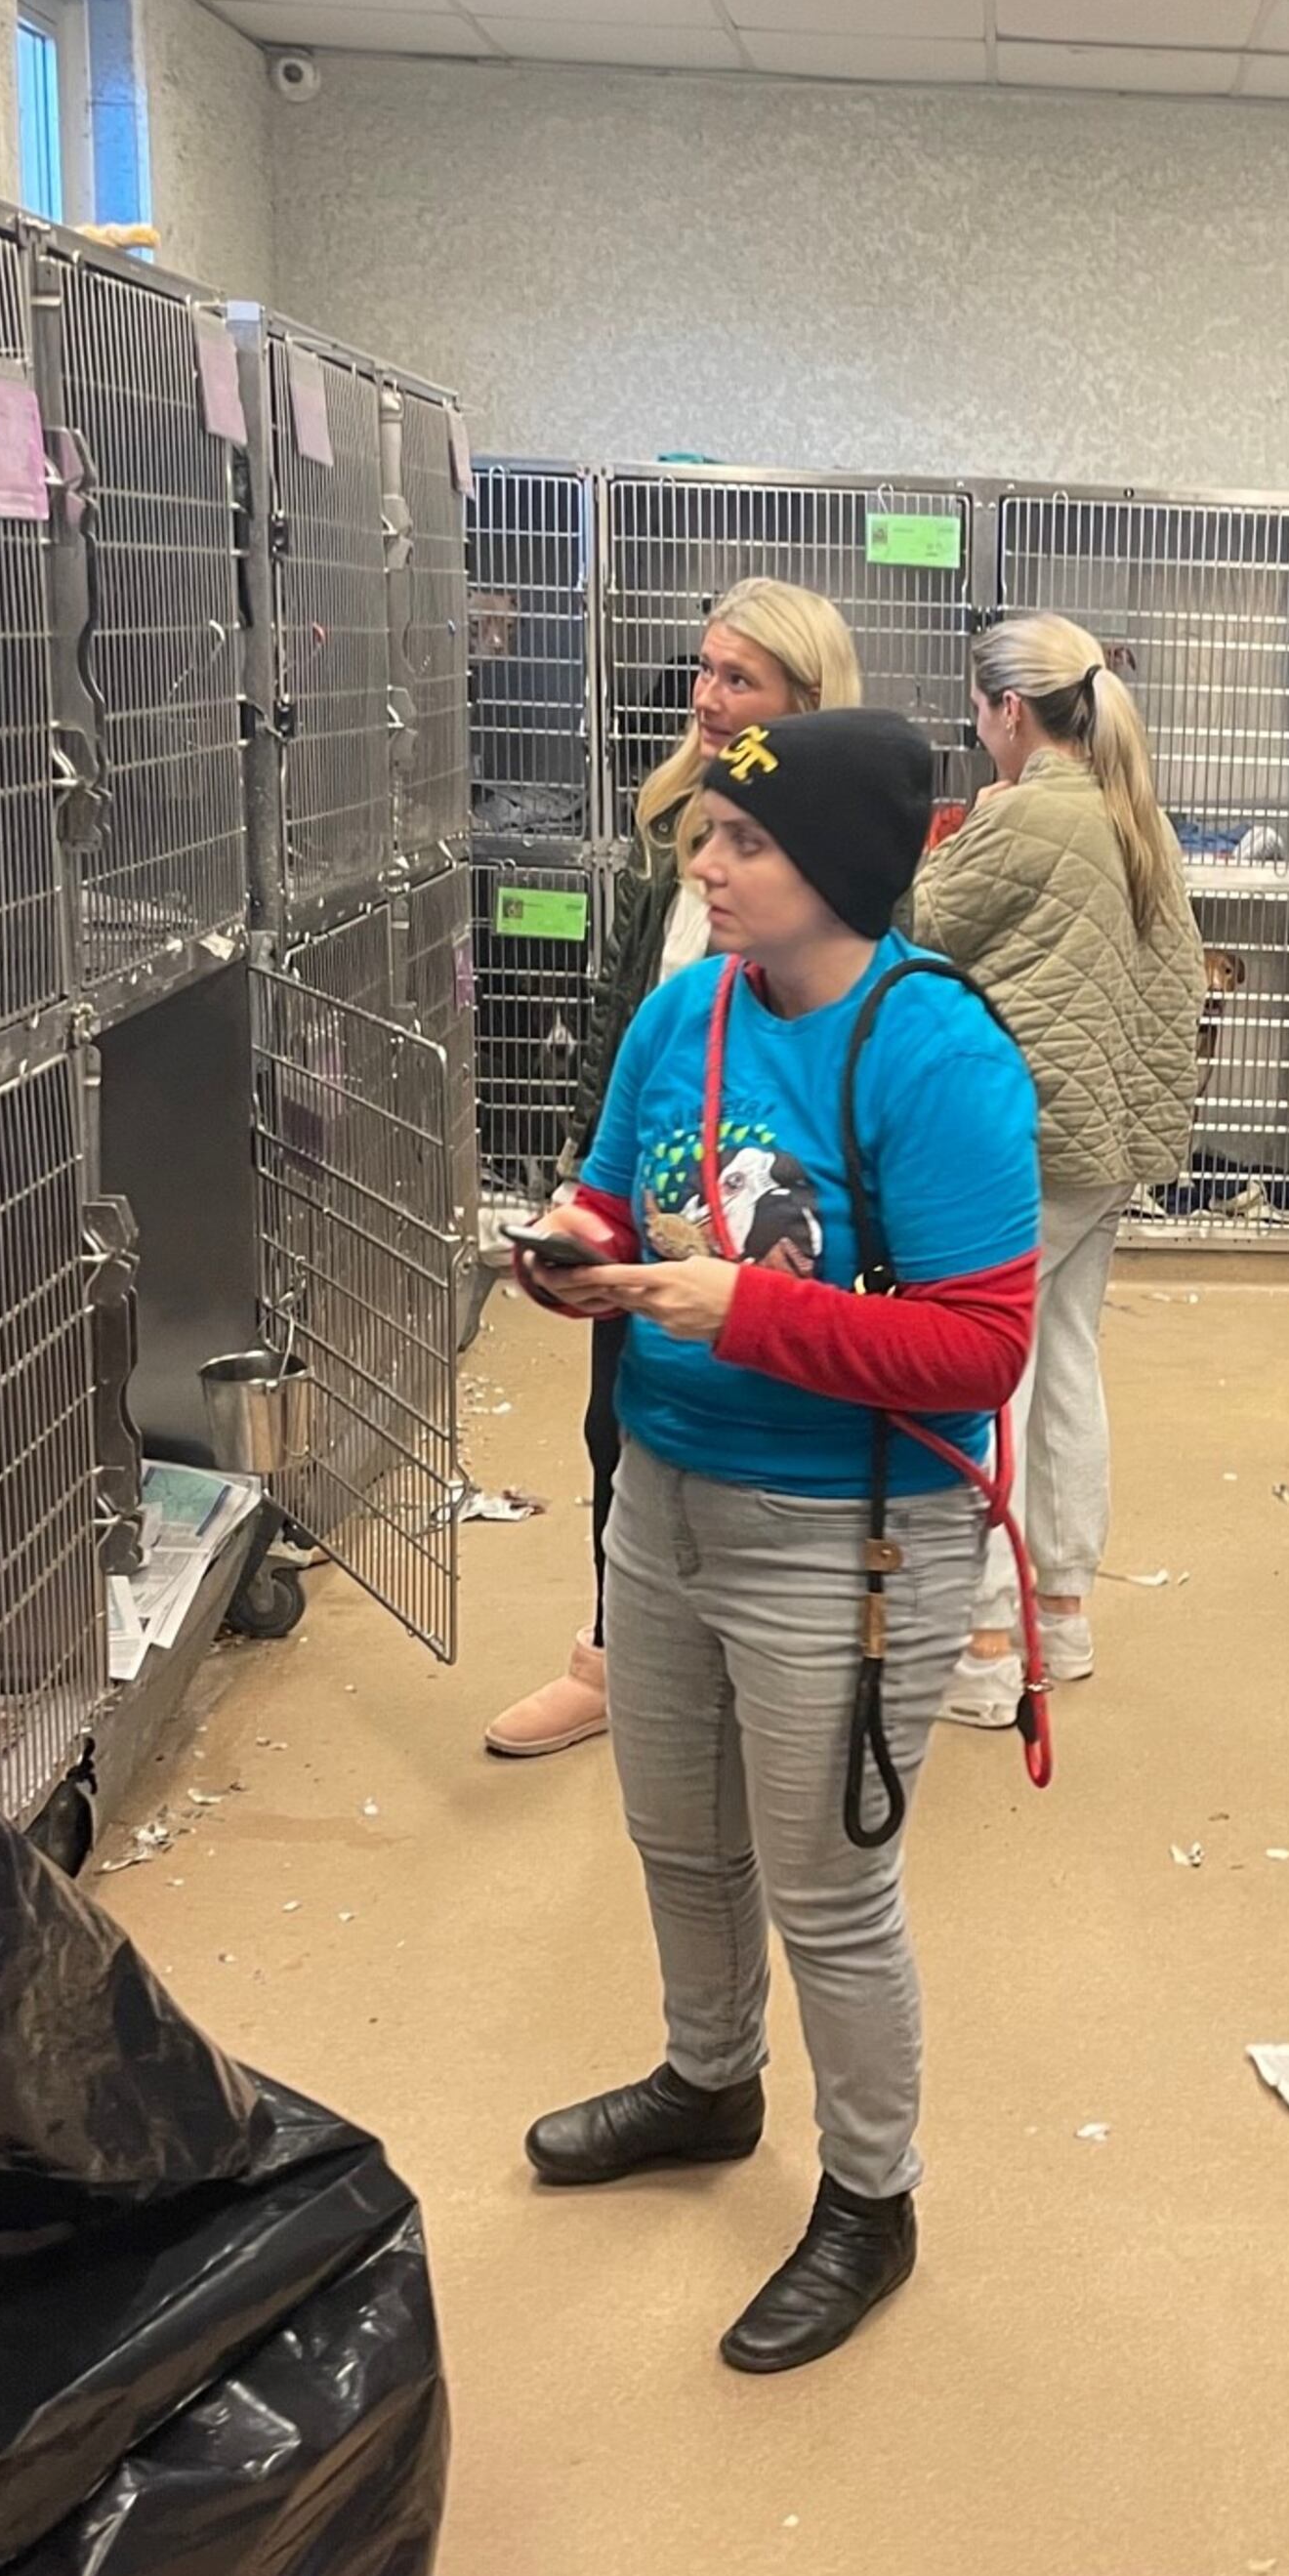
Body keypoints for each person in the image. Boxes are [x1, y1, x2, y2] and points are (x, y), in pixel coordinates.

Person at [511, 706, 1042, 2374]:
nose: (709, 866)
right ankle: (708, 2080)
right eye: (709, 840)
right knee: (679, 1837)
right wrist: (567, 1246)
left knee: (829, 1891)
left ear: (840, 871)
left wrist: (746, 1309)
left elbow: (979, 1351)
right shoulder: (689, 1014)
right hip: (661, 1496)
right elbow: (612, 1189)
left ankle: (871, 2200)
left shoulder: (935, 1051)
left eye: (746, 843)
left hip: (849, 1533)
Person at [482, 580, 866, 1760]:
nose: (705, 698)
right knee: (619, 1423)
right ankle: (615, 1657)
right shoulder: (673, 824)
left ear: (804, 700)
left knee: (770, 1426)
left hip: (768, 1198)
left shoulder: (843, 860)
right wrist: (582, 1184)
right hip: (649, 1180)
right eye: (703, 671)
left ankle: (799, 1661)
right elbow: (625, 1008)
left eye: (737, 680)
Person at [909, 613, 1204, 1728]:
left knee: (983, 1373)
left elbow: (918, 927)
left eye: (977, 712)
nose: (976, 731)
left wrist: (956, 835)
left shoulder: (1026, 815)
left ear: (1009, 712)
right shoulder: (1138, 814)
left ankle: (986, 1647)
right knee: (1065, 1359)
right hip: (1114, 1141)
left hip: (1029, 1141)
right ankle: (1064, 1613)